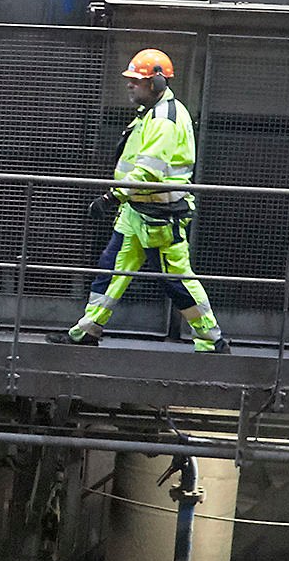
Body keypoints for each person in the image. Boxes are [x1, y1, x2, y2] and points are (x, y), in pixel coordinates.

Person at [67, 48, 225, 352]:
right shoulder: (152, 114)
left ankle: (211, 339)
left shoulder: (165, 120)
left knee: (174, 279)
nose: (130, 84)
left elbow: (148, 171)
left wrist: (111, 196)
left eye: (136, 80)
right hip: (138, 210)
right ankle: (87, 330)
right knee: (112, 269)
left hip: (160, 213)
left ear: (157, 82)